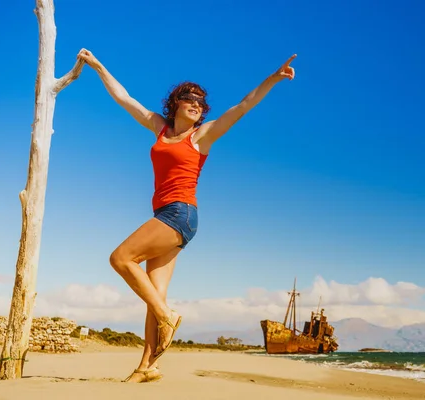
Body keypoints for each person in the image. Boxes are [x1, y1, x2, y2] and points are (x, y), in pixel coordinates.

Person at [77, 48, 296, 383]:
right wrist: (97, 66)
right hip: (168, 214)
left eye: (201, 103)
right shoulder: (160, 128)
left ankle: (168, 317)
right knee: (155, 295)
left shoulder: (202, 135)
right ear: (176, 102)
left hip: (180, 214)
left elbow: (243, 105)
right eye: (190, 99)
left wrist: (273, 79)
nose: (197, 105)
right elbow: (124, 98)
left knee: (120, 258)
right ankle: (146, 367)